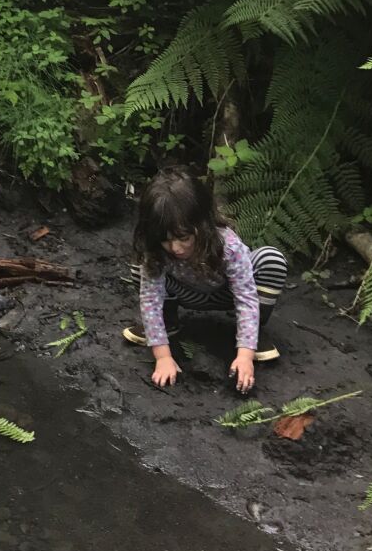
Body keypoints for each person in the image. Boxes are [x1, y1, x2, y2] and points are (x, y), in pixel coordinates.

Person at [121, 165, 287, 394]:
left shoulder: (228, 246)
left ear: (202, 224)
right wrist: (163, 356)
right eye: (166, 240)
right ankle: (164, 327)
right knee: (143, 266)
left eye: (183, 238)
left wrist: (245, 356)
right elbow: (150, 297)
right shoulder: (158, 250)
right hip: (183, 292)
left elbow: (246, 298)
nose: (175, 248)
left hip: (226, 294)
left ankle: (252, 336)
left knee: (271, 259)